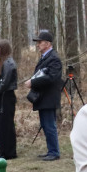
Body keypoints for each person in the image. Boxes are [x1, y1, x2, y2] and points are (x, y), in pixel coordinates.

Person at [25, 30, 64, 161]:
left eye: (40, 42)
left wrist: (33, 82)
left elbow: (51, 78)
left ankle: (54, 152)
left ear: (47, 44)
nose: (38, 45)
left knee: (49, 125)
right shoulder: (46, 57)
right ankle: (51, 150)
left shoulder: (54, 59)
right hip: (43, 97)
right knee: (45, 124)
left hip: (49, 97)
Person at [0, 39, 18, 160]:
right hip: (2, 97)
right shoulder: (2, 63)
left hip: (6, 98)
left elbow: (5, 83)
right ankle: (6, 151)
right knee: (2, 125)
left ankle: (8, 152)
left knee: (6, 125)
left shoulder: (9, 63)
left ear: (3, 49)